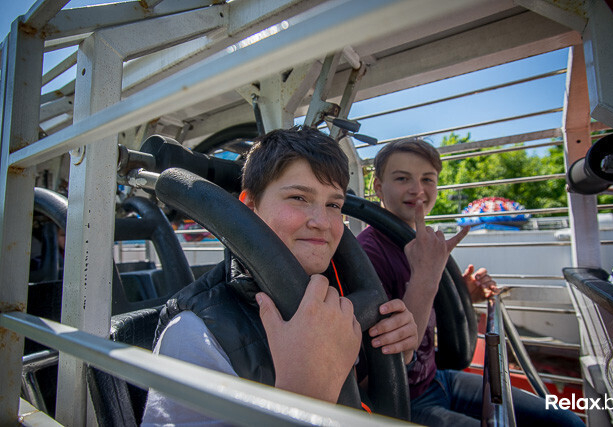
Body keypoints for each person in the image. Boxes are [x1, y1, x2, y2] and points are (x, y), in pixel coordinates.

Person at [142, 127, 418, 425]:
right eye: (299, 197)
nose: (322, 222)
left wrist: (394, 355)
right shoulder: (193, 333)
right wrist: (304, 396)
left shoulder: (338, 291)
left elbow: (358, 401)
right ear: (250, 207)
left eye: (333, 205)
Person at [357, 138, 584, 426]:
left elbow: (418, 305)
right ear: (378, 187)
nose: (418, 190)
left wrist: (461, 295)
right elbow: (389, 358)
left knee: (567, 422)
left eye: (427, 179)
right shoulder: (368, 253)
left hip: (435, 378)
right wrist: (426, 277)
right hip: (403, 401)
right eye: (402, 178)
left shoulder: (417, 241)